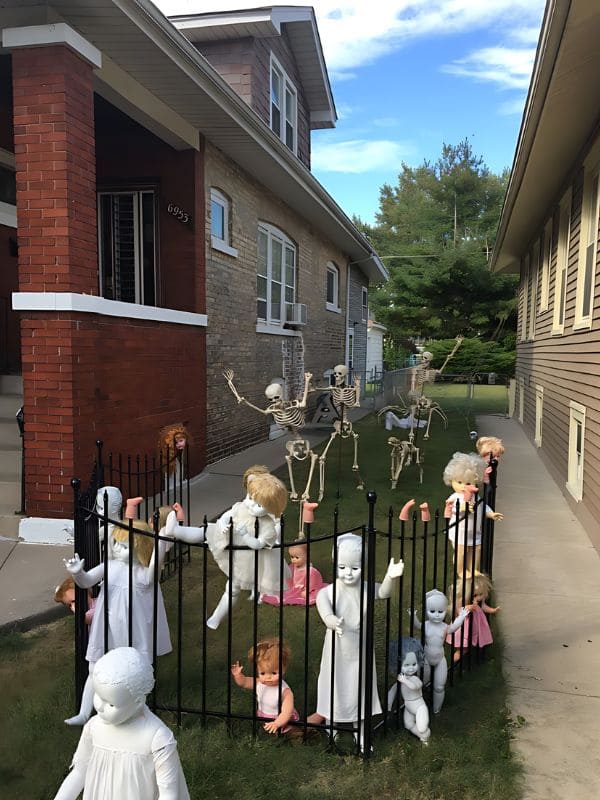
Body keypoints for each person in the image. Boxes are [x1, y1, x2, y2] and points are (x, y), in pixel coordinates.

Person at [63, 515, 172, 726]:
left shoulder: (143, 574)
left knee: (134, 671)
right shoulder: (110, 566)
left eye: (125, 545)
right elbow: (86, 581)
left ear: (140, 547)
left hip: (133, 630)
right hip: (107, 627)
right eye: (116, 544)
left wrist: (159, 544)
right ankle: (85, 713)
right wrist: (77, 573)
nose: (118, 549)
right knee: (95, 667)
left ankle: (135, 711)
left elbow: (154, 572)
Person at [53, 647, 189, 800]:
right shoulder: (94, 727)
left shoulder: (157, 738)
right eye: (98, 695)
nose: (99, 706)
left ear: (138, 702)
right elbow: (79, 772)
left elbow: (169, 794)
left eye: (111, 704)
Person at [307, 533, 404, 749]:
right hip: (336, 649)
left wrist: (391, 576)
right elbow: (325, 612)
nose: (348, 574)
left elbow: (384, 592)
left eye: (354, 568)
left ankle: (359, 729)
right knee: (334, 685)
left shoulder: (366, 589)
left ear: (364, 565)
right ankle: (332, 726)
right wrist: (332, 621)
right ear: (335, 564)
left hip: (360, 649)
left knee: (359, 686)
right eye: (342, 568)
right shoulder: (328, 592)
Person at [443, 451, 504, 575]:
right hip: (460, 532)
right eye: (459, 482)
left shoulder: (476, 498)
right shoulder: (456, 497)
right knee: (461, 550)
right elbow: (452, 508)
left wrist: (491, 514)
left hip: (475, 532)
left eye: (468, 483)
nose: (464, 486)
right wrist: (463, 508)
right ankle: (461, 571)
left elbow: (483, 506)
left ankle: (474, 569)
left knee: (476, 549)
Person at [410, 589, 469, 713]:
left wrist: (461, 617)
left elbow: (453, 628)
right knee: (421, 683)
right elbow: (417, 625)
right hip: (426, 659)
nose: (436, 615)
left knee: (439, 686)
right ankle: (418, 706)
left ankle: (436, 710)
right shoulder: (426, 625)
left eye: (440, 612)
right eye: (432, 611)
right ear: (426, 611)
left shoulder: (444, 627)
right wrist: (413, 617)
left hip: (440, 659)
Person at [231, 638, 299, 734]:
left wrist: (276, 723)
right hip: (265, 719)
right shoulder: (259, 683)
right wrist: (238, 676)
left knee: (294, 736)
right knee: (268, 736)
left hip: (284, 722)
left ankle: (301, 733)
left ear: (283, 669)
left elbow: (286, 712)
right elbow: (244, 682)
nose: (268, 677)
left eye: (274, 673)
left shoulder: (285, 691)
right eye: (262, 673)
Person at [447, 572, 499, 662]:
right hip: (465, 622)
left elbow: (483, 606)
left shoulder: (479, 600)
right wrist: (469, 607)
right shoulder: (462, 599)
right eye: (475, 595)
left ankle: (474, 648)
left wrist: (492, 610)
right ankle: (459, 652)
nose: (478, 598)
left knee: (475, 634)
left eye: (481, 594)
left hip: (476, 622)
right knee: (463, 638)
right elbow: (459, 610)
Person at [387, 637, 430, 744]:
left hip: (419, 707)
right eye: (406, 665)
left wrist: (405, 681)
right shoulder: (402, 680)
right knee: (408, 725)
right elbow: (393, 690)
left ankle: (425, 733)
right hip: (408, 708)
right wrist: (389, 703)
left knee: (422, 726)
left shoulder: (414, 679)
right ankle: (424, 737)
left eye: (414, 664)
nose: (411, 668)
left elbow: (415, 687)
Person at [261, 542, 327, 605]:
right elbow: (289, 576)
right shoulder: (293, 567)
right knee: (284, 593)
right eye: (292, 557)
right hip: (294, 588)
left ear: (307, 556)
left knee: (301, 596)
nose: (293, 560)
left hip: (304, 588)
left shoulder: (310, 571)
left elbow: (313, 582)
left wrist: (307, 590)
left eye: (297, 557)